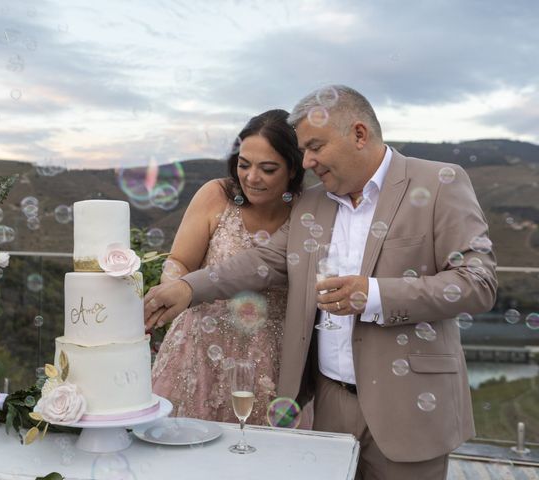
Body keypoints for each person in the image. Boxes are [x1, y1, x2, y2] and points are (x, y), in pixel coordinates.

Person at [145, 85, 497, 479]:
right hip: (329, 405)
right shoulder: (313, 203)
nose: (307, 161)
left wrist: (375, 294)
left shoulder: (439, 183)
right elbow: (263, 260)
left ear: (359, 134)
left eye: (315, 146)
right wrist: (189, 288)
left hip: (409, 406)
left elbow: (478, 282)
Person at [149, 109, 304, 425]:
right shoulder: (216, 194)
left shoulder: (307, 212)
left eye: (268, 168)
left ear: (292, 169)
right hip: (199, 349)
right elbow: (179, 261)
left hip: (269, 360)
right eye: (243, 164)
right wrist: (173, 286)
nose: (251, 177)